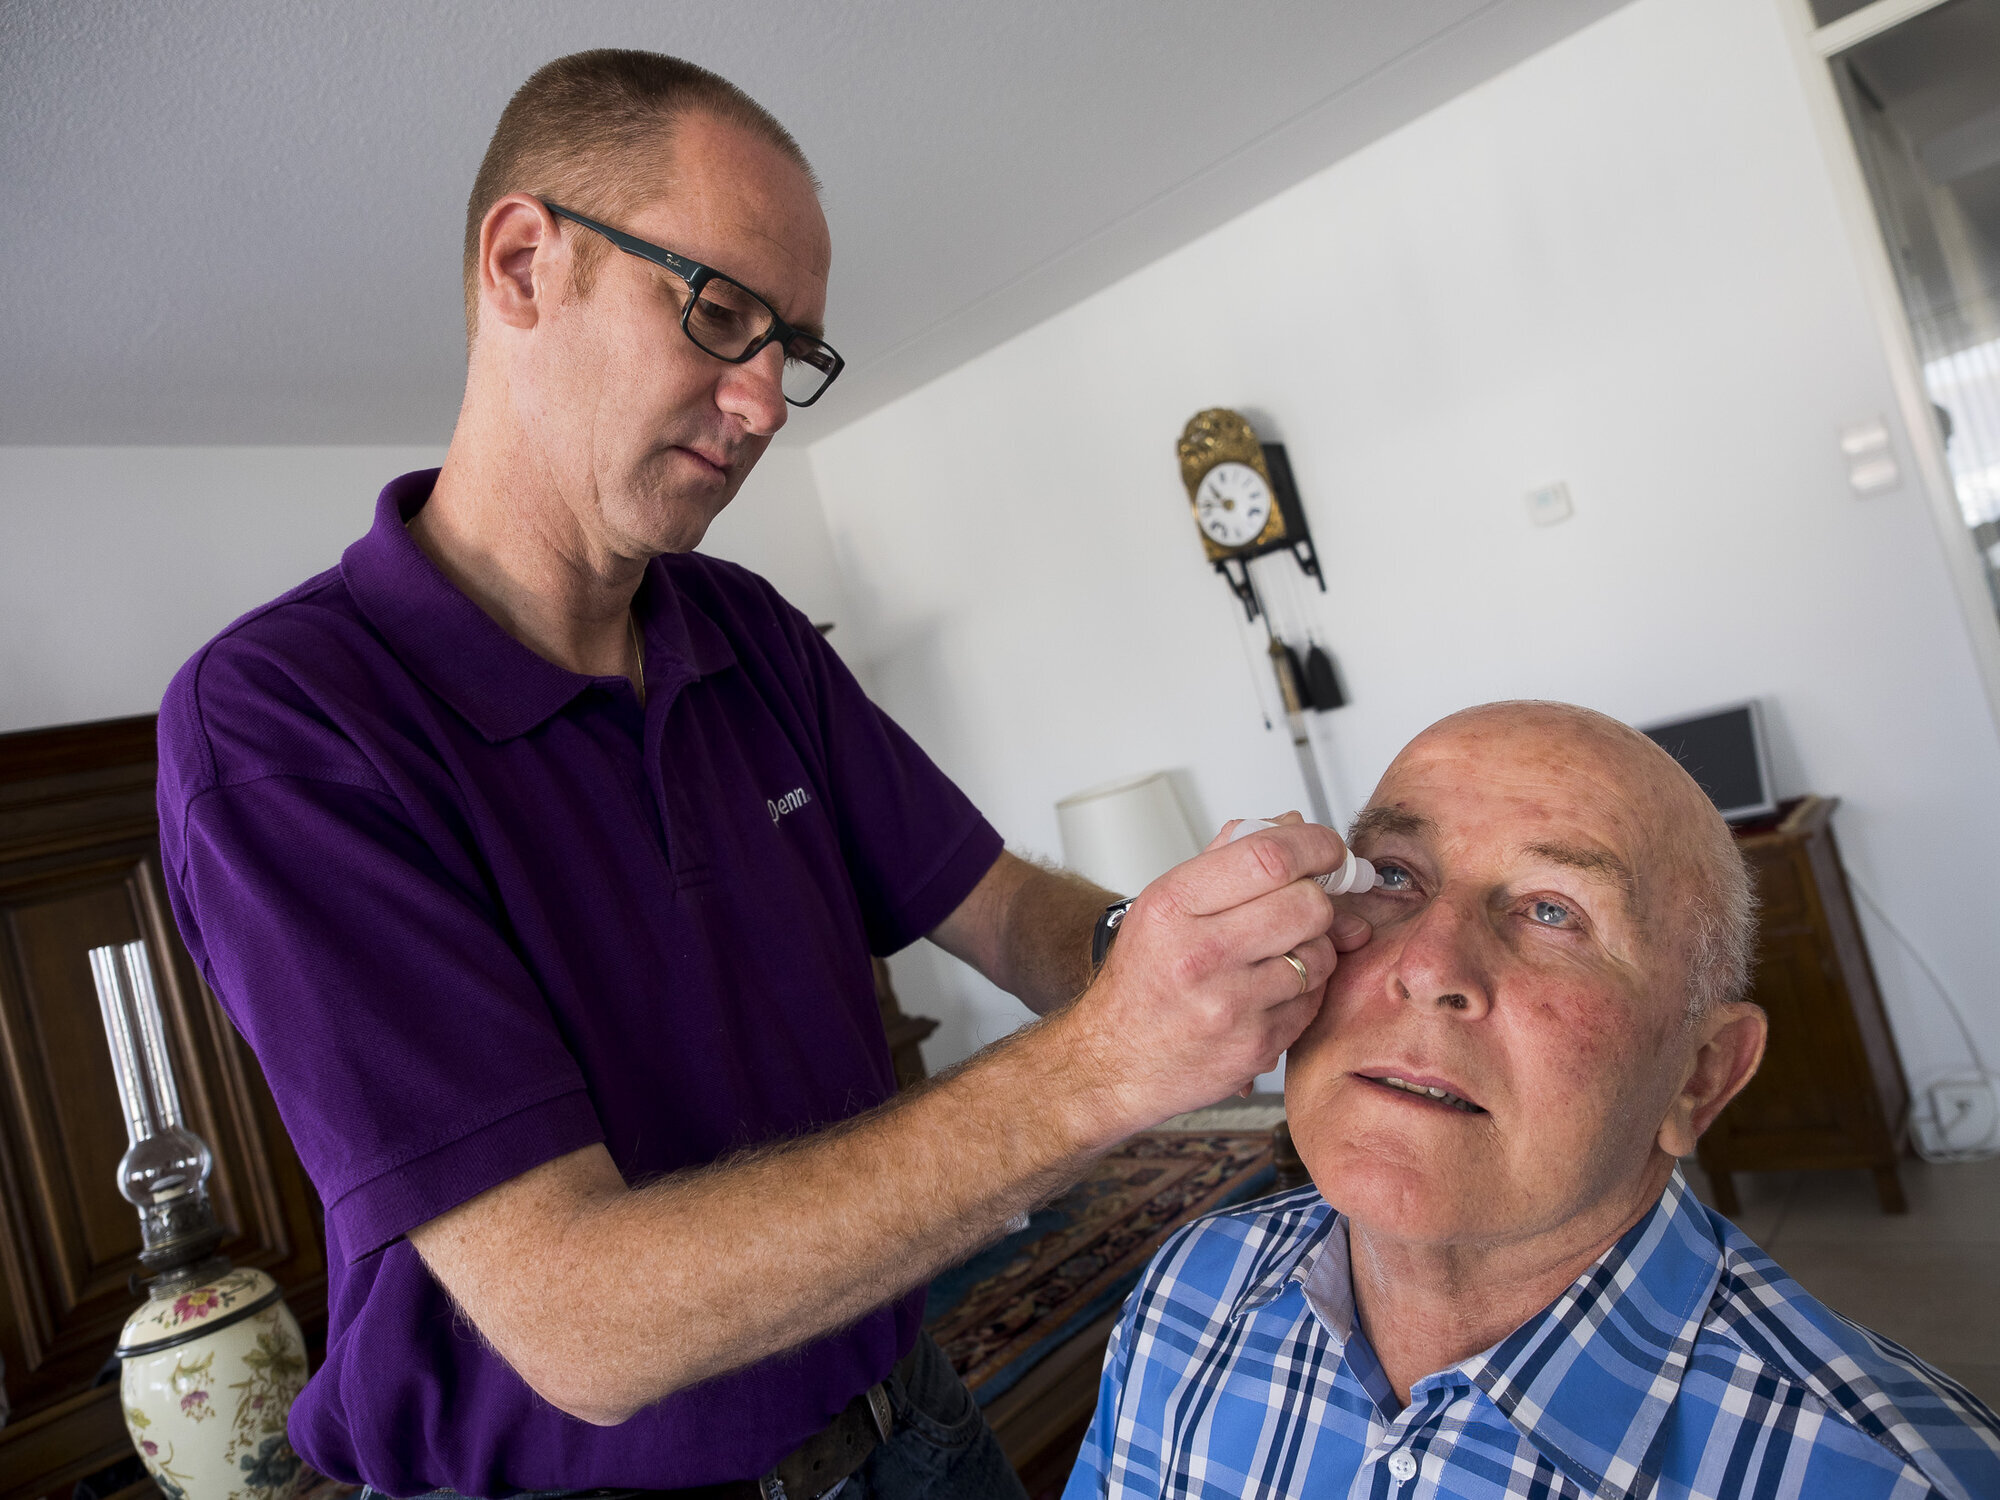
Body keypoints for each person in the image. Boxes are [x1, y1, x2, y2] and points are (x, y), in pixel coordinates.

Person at [153, 49, 1373, 1500]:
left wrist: (1176, 953)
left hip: (910, 1424)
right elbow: (579, 1321)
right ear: (524, 264)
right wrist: (1110, 1064)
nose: (768, 402)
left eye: (789, 347)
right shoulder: (280, 720)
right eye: (721, 313)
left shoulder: (745, 630)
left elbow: (999, 908)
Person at [1066, 702, 2000, 1500]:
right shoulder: (1187, 1292)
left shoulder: (1897, 1479)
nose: (1428, 966)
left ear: (1701, 1075)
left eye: (1554, 910)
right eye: (1393, 876)